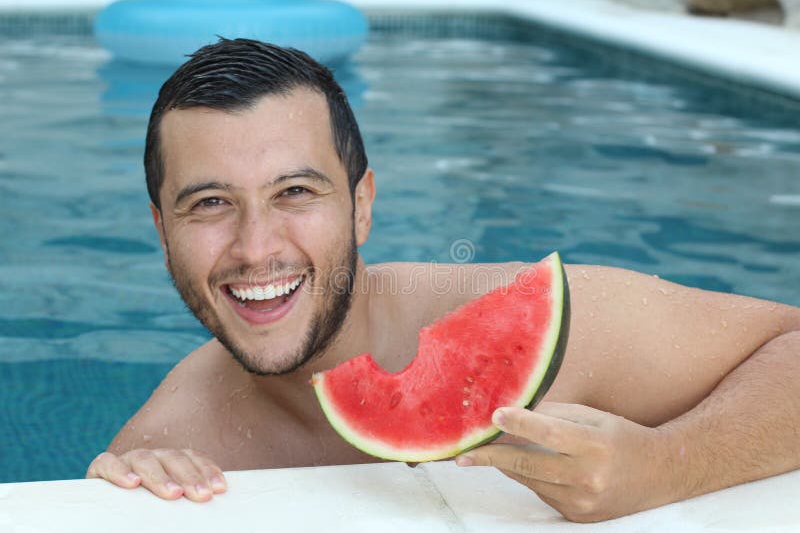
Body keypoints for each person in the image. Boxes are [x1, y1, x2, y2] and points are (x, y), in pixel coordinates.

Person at [86, 38, 800, 523]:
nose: (256, 246)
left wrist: (671, 465)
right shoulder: (170, 441)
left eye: (296, 193)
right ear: (161, 228)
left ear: (362, 204)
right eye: (210, 204)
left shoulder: (540, 321)